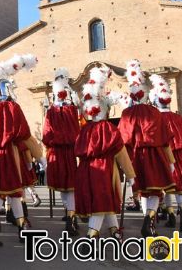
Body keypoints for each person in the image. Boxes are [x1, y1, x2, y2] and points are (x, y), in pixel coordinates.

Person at [0, 54, 46, 247]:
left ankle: (21, 228)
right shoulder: (11, 108)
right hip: (9, 155)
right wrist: (40, 157)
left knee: (10, 193)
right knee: (8, 193)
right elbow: (24, 134)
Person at [75, 67, 135, 240]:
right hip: (104, 170)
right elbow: (120, 151)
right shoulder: (107, 128)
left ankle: (114, 230)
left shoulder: (84, 130)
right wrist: (131, 175)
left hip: (85, 171)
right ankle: (91, 235)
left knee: (104, 201)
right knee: (102, 200)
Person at [118, 60, 175, 238]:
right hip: (155, 155)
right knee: (155, 190)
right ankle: (149, 219)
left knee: (142, 190)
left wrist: (122, 163)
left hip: (135, 156)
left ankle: (147, 218)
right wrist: (171, 161)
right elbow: (165, 139)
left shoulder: (126, 114)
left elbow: (123, 139)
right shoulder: (155, 112)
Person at [149, 74, 182, 232]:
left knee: (164, 187)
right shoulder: (177, 118)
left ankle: (170, 215)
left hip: (162, 156)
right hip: (179, 157)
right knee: (180, 187)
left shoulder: (155, 118)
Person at [42, 68, 81, 236]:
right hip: (69, 152)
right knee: (69, 187)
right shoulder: (72, 110)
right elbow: (77, 130)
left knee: (66, 188)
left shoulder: (52, 112)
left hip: (56, 153)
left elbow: (45, 134)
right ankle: (71, 217)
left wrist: (49, 146)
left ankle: (70, 216)